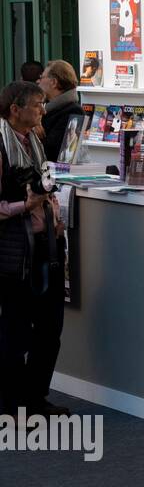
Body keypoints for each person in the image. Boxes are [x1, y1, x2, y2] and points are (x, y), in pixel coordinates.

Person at [0, 81, 68, 418]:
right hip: (14, 251)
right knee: (14, 332)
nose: (43, 110)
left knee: (50, 329)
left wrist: (53, 211)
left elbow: (45, 183)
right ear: (15, 108)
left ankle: (35, 398)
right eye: (37, 104)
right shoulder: (1, 145)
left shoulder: (35, 141)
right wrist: (23, 206)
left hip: (47, 245)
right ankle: (11, 408)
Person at [37, 60, 81, 162]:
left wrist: (33, 133)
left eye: (41, 77)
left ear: (53, 82)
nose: (38, 81)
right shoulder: (45, 107)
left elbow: (61, 155)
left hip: (55, 174)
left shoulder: (74, 112)